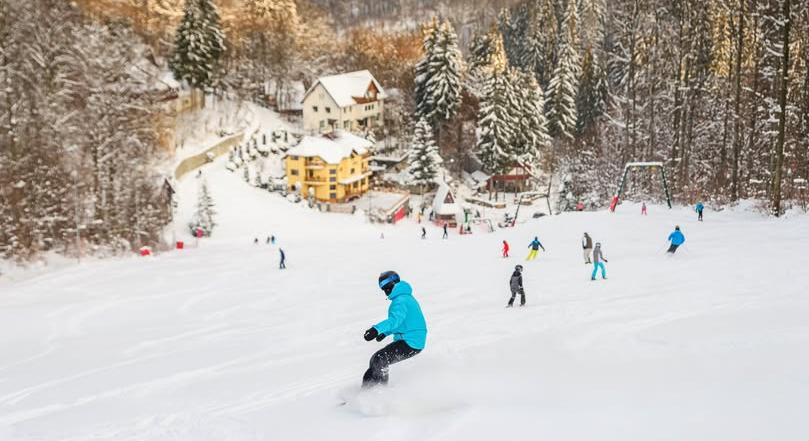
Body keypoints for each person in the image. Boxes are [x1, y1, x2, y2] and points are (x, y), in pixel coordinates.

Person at [362, 271, 427, 388]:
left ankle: (379, 393)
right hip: (412, 340)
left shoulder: (400, 301)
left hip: (410, 341)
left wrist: (376, 330)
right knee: (376, 361)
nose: (386, 291)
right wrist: (385, 333)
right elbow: (403, 322)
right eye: (383, 288)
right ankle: (366, 392)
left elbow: (394, 320)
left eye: (388, 286)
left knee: (379, 359)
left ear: (395, 283)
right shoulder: (405, 298)